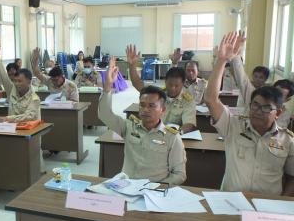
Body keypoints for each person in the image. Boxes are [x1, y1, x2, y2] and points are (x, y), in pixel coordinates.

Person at [205, 31, 294, 196]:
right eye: (255, 105)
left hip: (267, 208)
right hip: (230, 202)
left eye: (266, 108)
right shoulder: (233, 127)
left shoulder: (288, 141)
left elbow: (292, 177)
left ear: (278, 112)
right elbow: (211, 99)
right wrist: (222, 60)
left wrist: (283, 202)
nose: (258, 112)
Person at [98, 56, 186, 184]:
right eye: (142, 105)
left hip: (154, 191)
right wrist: (107, 86)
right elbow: (105, 115)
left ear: (163, 109)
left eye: (151, 106)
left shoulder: (172, 137)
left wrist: (158, 188)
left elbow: (179, 174)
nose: (145, 109)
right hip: (127, 187)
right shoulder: (128, 127)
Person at [127, 44, 196, 133]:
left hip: (173, 136)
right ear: (165, 81)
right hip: (152, 133)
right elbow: (137, 84)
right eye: (170, 84)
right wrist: (132, 65)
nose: (172, 88)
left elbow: (189, 124)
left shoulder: (188, 100)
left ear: (183, 84)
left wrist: (176, 133)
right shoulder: (158, 94)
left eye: (176, 86)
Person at [0, 36, 40, 122]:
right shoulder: (12, 89)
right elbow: (2, 74)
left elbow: (28, 116)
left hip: (29, 133)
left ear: (28, 82)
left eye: (20, 81)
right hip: (12, 131)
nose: (17, 83)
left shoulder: (34, 98)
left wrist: (7, 118)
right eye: (15, 81)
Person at [229, 31, 270, 108]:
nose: (257, 79)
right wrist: (238, 50)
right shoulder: (248, 87)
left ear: (266, 79)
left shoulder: (267, 92)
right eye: (256, 76)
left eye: (261, 77)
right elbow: (239, 71)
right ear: (252, 76)